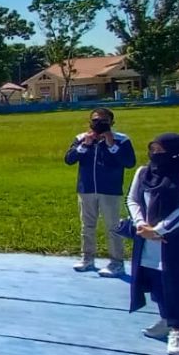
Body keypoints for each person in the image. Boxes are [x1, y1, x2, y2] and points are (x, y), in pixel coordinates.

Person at [126, 134, 179, 355]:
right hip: (146, 237)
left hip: (176, 240)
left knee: (177, 281)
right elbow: (133, 199)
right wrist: (141, 224)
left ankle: (178, 329)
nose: (155, 154)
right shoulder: (143, 173)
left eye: (161, 150)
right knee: (156, 281)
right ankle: (166, 318)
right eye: (152, 149)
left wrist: (160, 230)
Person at [65, 107, 137, 275]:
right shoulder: (82, 138)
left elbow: (129, 162)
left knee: (113, 227)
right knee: (87, 226)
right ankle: (87, 259)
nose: (98, 123)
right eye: (95, 120)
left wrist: (111, 144)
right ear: (90, 122)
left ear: (112, 123)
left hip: (110, 191)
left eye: (103, 121)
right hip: (86, 189)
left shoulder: (122, 140)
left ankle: (116, 262)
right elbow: (69, 159)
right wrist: (85, 145)